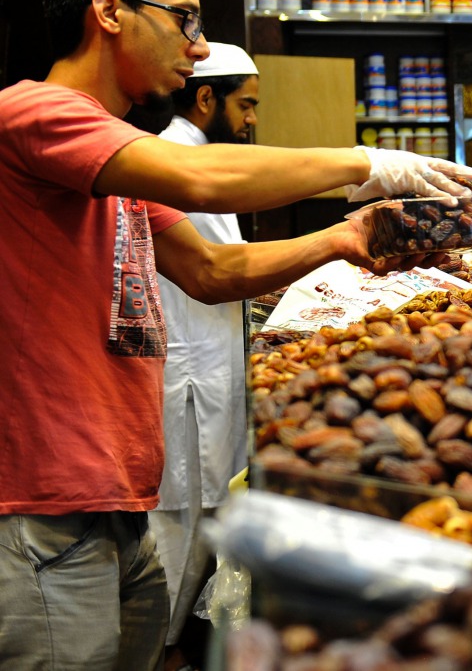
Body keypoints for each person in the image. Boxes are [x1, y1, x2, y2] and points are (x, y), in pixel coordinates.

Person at [0, 0, 472, 669]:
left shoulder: (117, 153)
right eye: (183, 17)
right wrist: (364, 160)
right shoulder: (34, 113)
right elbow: (197, 177)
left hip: (119, 491)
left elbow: (212, 271)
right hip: (45, 503)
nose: (195, 45)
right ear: (109, 10)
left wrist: (341, 241)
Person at [148, 42, 259, 653]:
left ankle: (172, 648)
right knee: (178, 531)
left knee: (203, 521)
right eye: (245, 105)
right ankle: (158, 653)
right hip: (188, 381)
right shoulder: (171, 161)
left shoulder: (204, 159)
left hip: (211, 372)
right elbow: (220, 272)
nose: (250, 121)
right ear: (206, 97)